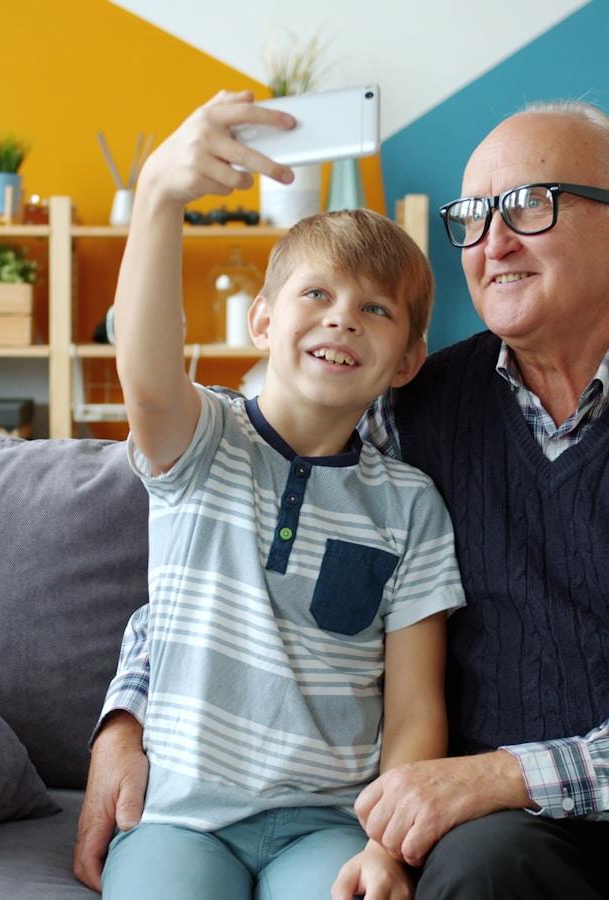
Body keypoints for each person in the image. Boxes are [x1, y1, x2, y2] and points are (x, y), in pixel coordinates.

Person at [76, 97, 609, 898]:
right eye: (475, 216)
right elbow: (231, 558)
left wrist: (505, 776)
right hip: (510, 812)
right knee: (476, 877)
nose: (495, 241)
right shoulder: (405, 412)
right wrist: (128, 717)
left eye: (530, 204)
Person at [86, 90, 466, 900]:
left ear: (406, 360)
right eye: (316, 295)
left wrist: (385, 847)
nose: (343, 321)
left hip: (327, 823)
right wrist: (159, 196)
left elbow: (413, 711)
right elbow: (147, 375)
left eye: (375, 309)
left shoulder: (411, 506)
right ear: (262, 321)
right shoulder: (201, 441)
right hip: (180, 819)